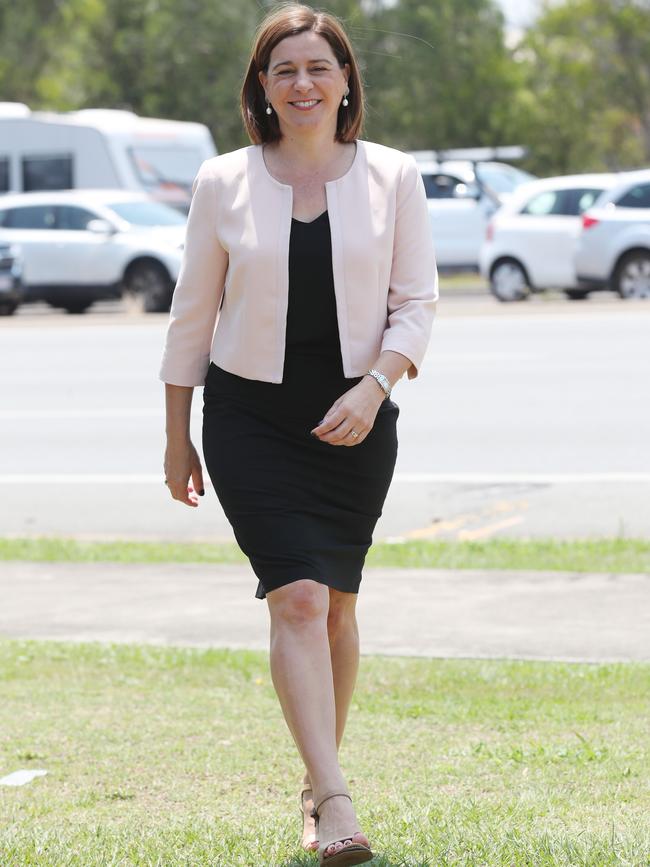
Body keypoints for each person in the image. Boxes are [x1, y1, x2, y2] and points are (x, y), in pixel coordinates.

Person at [159, 3, 437, 864]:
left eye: (319, 67)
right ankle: (339, 800)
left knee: (341, 608)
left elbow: (417, 304)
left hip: (356, 416)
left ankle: (315, 784)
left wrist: (377, 385)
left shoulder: (394, 176)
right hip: (250, 418)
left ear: (347, 80)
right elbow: (189, 320)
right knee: (300, 598)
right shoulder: (221, 182)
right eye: (285, 70)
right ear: (263, 89)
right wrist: (178, 436)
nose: (303, 83)